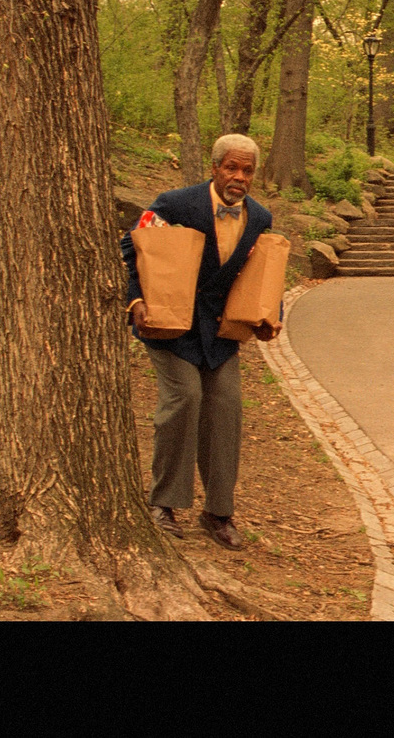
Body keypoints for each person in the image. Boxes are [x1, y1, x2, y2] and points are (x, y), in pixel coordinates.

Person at [121, 133, 276, 551]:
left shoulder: (260, 218)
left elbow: (263, 272)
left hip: (220, 335)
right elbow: (132, 245)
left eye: (247, 170)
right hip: (169, 327)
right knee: (185, 399)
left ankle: (218, 513)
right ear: (215, 168)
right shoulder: (175, 204)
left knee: (225, 409)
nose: (239, 177)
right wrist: (135, 298)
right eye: (232, 167)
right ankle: (163, 504)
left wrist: (267, 315)